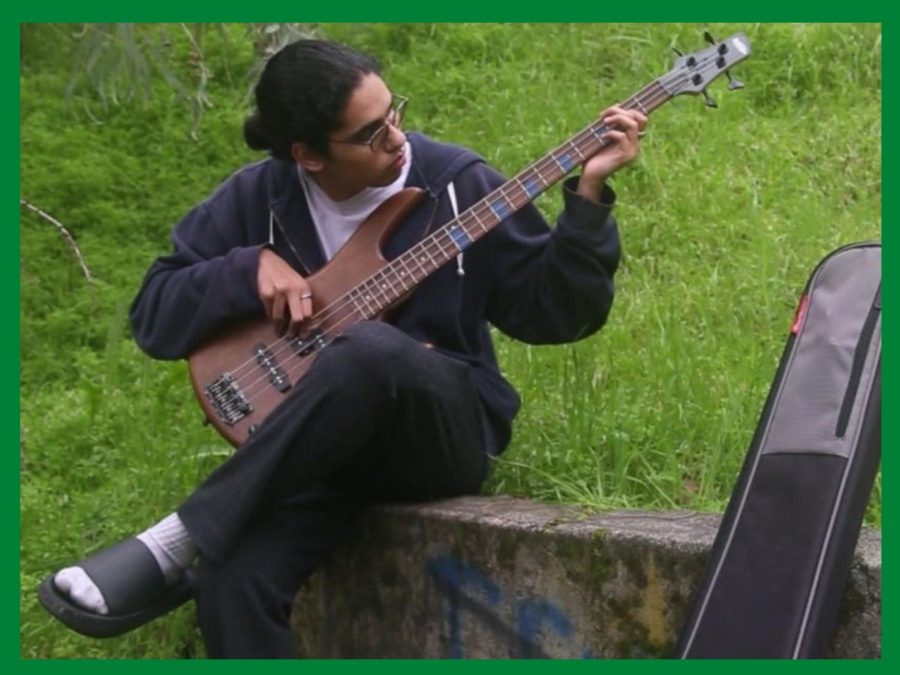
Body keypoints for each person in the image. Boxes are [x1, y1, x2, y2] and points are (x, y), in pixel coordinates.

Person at [38, 38, 646, 658]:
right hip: (314, 454)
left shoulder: (456, 184)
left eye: (394, 113)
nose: (397, 138)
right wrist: (244, 270)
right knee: (230, 582)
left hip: (436, 432)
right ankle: (200, 546)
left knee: (368, 349)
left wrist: (589, 202)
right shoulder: (258, 199)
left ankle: (177, 538)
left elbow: (558, 315)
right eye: (371, 133)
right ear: (307, 155)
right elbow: (153, 315)